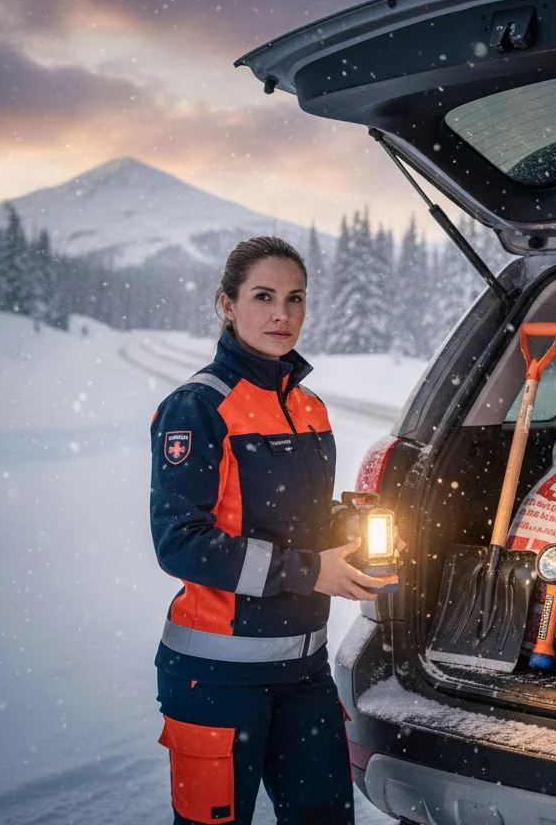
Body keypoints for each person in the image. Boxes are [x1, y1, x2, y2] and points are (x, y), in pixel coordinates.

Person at [149, 236, 392, 825]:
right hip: (218, 676)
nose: (282, 314)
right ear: (227, 304)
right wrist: (312, 571)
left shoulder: (309, 407)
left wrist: (354, 530)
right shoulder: (199, 408)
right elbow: (180, 542)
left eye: (295, 298)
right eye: (263, 296)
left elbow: (302, 519)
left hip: (304, 670)